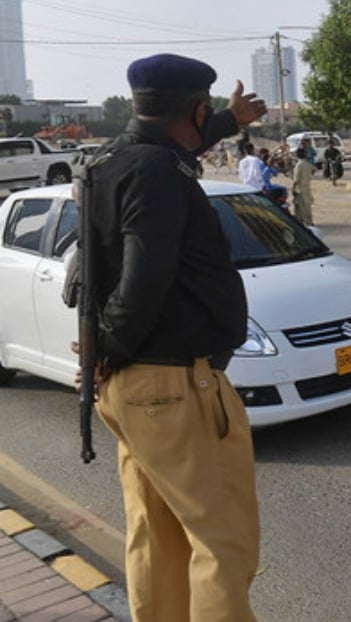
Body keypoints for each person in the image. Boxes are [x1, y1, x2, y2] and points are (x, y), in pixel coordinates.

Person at [84, 53, 266, 621]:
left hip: (135, 386)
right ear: (194, 107)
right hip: (174, 386)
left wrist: (229, 121)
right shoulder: (159, 173)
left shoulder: (109, 160)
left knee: (157, 537)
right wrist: (110, 344)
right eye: (205, 113)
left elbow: (172, 145)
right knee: (222, 544)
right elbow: (144, 277)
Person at [292, 138, 318, 226]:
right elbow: (314, 169)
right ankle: (309, 220)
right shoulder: (307, 163)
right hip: (307, 186)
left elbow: (296, 179)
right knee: (307, 205)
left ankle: (303, 221)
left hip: (300, 188)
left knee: (300, 206)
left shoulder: (298, 165)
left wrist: (293, 189)